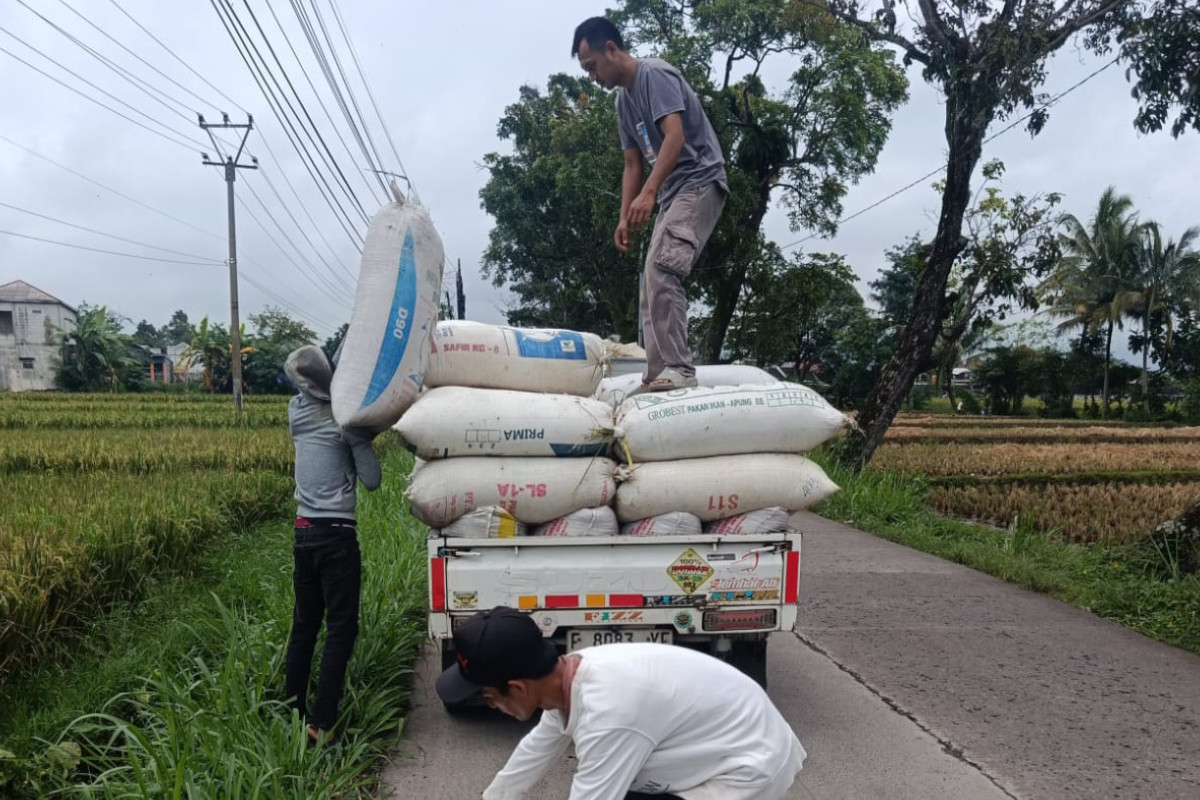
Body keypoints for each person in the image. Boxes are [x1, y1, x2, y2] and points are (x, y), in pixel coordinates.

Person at [437, 606, 805, 800]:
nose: (490, 706)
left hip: (747, 768)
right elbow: (536, 750)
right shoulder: (567, 678)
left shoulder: (609, 713)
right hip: (725, 743)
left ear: (517, 688)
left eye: (488, 696)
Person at [572, 16, 728, 392]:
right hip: (674, 191)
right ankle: (659, 373)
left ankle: (679, 369)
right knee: (649, 280)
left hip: (700, 180)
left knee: (664, 268)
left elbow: (674, 137)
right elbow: (632, 163)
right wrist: (624, 216)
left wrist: (649, 193)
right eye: (585, 70)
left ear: (611, 49)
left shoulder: (654, 76)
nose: (592, 76)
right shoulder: (623, 105)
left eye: (592, 66)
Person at [283, 345, 381, 744]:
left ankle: (290, 710)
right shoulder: (345, 423)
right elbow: (372, 481)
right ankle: (323, 725)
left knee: (305, 625)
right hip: (336, 537)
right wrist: (360, 438)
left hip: (303, 534)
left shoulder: (297, 412)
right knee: (341, 629)